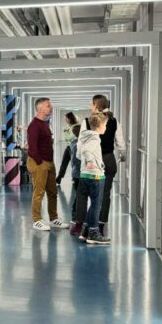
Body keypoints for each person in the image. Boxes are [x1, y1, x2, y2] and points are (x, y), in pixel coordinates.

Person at [80, 94, 126, 239]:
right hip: (108, 159)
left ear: (95, 105)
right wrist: (122, 154)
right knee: (105, 195)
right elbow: (121, 144)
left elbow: (81, 143)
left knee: (90, 195)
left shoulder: (86, 121)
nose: (90, 106)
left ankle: (86, 227)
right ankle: (99, 225)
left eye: (91, 104)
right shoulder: (114, 121)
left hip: (92, 161)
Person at [26, 97, 70, 232]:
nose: (51, 107)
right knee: (39, 193)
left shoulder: (45, 123)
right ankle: (37, 220)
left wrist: (49, 163)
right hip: (39, 163)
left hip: (49, 162)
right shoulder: (34, 125)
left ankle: (53, 218)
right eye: (48, 106)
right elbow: (32, 148)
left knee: (52, 192)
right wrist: (41, 163)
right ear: (40, 108)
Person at [70, 115, 110, 245]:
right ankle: (94, 233)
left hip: (84, 175)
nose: (106, 127)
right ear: (99, 126)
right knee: (96, 205)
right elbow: (87, 151)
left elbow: (79, 154)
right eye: (105, 125)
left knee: (93, 204)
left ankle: (86, 231)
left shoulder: (84, 137)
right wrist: (92, 162)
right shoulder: (95, 137)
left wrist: (98, 162)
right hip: (95, 176)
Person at [55, 111, 78, 184]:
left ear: (70, 118)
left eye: (66, 118)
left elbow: (71, 137)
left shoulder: (75, 126)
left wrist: (66, 133)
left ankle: (75, 178)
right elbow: (66, 138)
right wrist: (66, 133)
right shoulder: (67, 126)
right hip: (68, 147)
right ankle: (59, 177)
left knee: (74, 163)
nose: (65, 120)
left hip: (73, 147)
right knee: (64, 162)